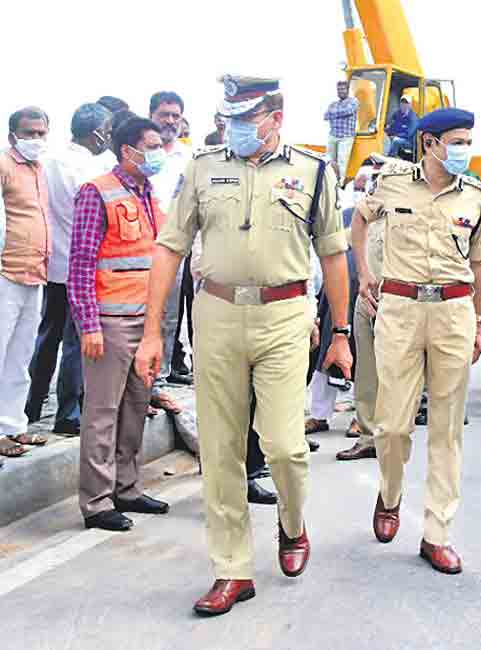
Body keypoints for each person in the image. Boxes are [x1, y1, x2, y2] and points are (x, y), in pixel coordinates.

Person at [133, 74, 352, 616]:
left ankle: (293, 524)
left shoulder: (313, 172)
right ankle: (231, 569)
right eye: (229, 118)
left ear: (276, 119)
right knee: (220, 448)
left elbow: (332, 254)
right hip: (217, 314)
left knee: (284, 446)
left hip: (284, 316)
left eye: (246, 119)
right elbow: (169, 248)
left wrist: (341, 333)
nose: (235, 128)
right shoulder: (203, 168)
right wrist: (152, 331)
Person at [351, 107, 481, 575]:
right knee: (391, 425)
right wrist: (366, 275)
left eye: (468, 140)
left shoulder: (477, 196)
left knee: (447, 428)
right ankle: (390, 493)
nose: (464, 150)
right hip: (400, 309)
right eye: (457, 141)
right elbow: (358, 223)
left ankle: (437, 532)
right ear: (430, 143)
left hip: (453, 311)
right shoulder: (391, 182)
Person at [68, 116, 173, 532]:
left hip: (144, 322)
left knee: (135, 407)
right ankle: (95, 501)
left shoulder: (148, 194)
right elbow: (80, 263)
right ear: (128, 150)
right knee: (102, 412)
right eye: (151, 145)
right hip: (109, 323)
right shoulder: (98, 193)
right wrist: (88, 324)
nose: (158, 152)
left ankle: (127, 487)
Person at [26, 103, 112, 436]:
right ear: (97, 134)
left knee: (47, 336)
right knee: (76, 341)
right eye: (106, 131)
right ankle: (68, 412)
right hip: (81, 268)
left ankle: (31, 404)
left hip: (53, 263)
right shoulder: (90, 170)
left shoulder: (48, 163)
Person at [0, 107, 52, 459]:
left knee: (19, 357)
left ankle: (12, 426)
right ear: (12, 135)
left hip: (35, 273)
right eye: (28, 133)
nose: (35, 139)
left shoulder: (38, 169)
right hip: (5, 272)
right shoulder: (4, 165)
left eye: (40, 133)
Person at [337, 164, 387, 461]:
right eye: (376, 182)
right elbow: (334, 243)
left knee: (396, 375)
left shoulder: (409, 218)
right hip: (366, 302)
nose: (377, 188)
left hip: (399, 305)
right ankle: (368, 437)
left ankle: (392, 436)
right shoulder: (361, 221)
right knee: (366, 374)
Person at [147, 91, 193, 399]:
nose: (170, 121)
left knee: (170, 314)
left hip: (175, 247)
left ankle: (159, 377)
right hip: (139, 245)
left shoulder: (188, 158)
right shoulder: (144, 152)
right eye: (164, 114)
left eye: (176, 115)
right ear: (152, 114)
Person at [324, 79, 359, 178]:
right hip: (333, 135)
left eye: (343, 89)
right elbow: (325, 116)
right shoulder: (333, 103)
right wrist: (339, 113)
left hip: (346, 137)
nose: (340, 91)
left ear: (347, 90)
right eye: (339, 89)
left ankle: (340, 185)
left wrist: (334, 113)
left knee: (342, 162)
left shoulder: (354, 101)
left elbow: (348, 111)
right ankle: (329, 182)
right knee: (329, 161)